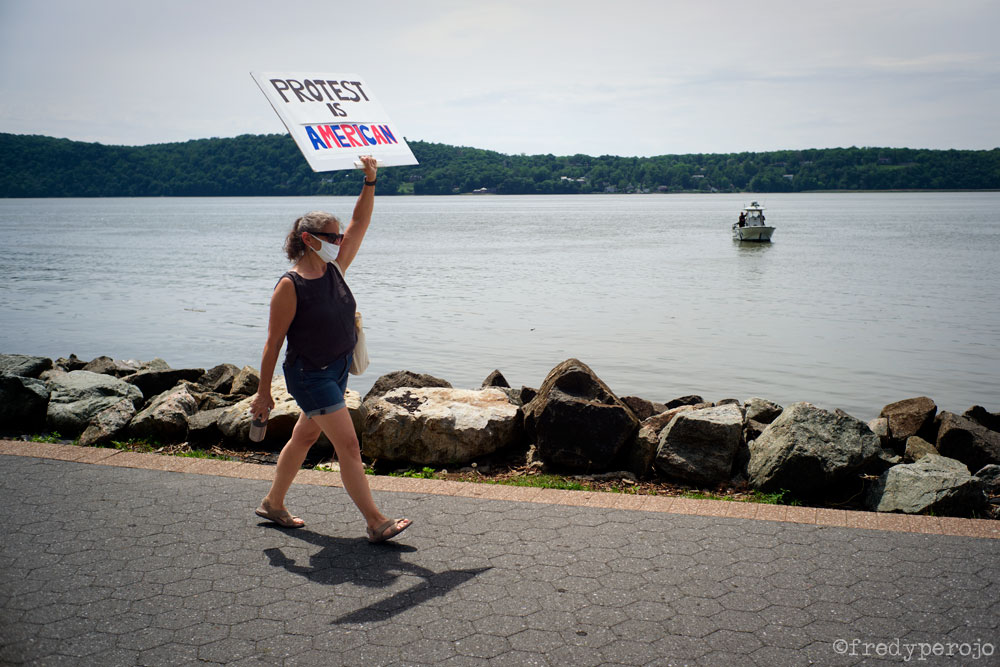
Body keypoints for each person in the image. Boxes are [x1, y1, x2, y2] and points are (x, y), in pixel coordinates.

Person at [250, 155, 411, 543]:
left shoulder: (334, 268)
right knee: (349, 446)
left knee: (304, 438)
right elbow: (273, 343)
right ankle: (376, 521)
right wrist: (263, 392)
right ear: (309, 239)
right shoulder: (290, 285)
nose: (340, 242)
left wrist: (370, 181)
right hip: (310, 375)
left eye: (339, 237)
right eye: (333, 237)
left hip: (336, 370)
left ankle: (272, 503)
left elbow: (360, 223)